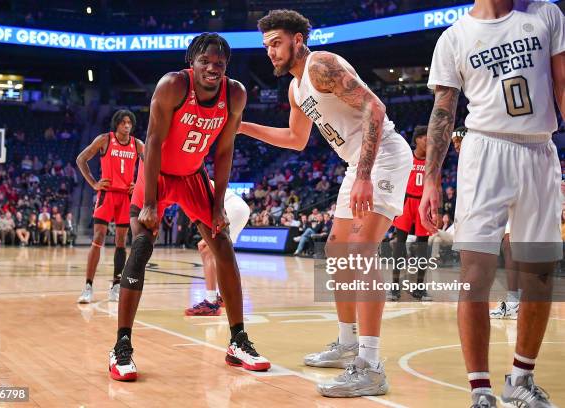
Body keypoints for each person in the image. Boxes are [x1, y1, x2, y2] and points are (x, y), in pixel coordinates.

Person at [239, 10, 412, 397]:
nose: (270, 52)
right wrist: (243, 126)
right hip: (359, 162)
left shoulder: (323, 65)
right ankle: (348, 342)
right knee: (337, 250)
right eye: (266, 45)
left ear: (298, 40)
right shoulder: (296, 88)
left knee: (360, 252)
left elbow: (376, 109)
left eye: (276, 43)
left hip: (383, 155)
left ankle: (371, 365)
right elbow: (295, 139)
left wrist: (365, 175)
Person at [420, 1, 564, 406]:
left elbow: (562, 84)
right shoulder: (454, 36)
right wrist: (431, 180)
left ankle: (521, 379)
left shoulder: (546, 13)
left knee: (538, 275)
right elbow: (443, 111)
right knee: (475, 274)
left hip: (540, 148)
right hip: (484, 151)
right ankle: (479, 389)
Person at [109, 33, 270, 382]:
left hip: (194, 176)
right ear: (191, 63)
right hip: (158, 175)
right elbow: (152, 142)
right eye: (206, 62)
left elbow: (225, 150)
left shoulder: (235, 93)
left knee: (222, 244)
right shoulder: (172, 86)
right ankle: (121, 346)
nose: (213, 68)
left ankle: (238, 340)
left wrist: (217, 205)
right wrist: (150, 201)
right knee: (140, 247)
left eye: (220, 64)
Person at [76, 110, 144, 304]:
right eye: (123, 122)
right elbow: (81, 159)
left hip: (126, 197)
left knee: (121, 241)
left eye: (129, 122)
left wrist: (139, 184)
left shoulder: (137, 144)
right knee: (98, 237)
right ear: (117, 124)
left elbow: (153, 165)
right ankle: (88, 286)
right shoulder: (105, 139)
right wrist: (93, 183)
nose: (127, 125)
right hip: (107, 194)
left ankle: (115, 285)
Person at [185, 187, 251, 316]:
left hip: (231, 209)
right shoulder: (193, 178)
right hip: (237, 208)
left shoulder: (188, 185)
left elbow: (202, 214)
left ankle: (210, 303)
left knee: (206, 251)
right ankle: (224, 296)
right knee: (211, 250)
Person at [389, 125, 433, 301]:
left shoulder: (433, 161)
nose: (428, 140)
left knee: (423, 248)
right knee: (399, 246)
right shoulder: (406, 157)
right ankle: (394, 287)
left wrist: (435, 210)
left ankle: (420, 288)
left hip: (424, 203)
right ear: (416, 139)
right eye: (424, 137)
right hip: (406, 201)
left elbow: (436, 186)